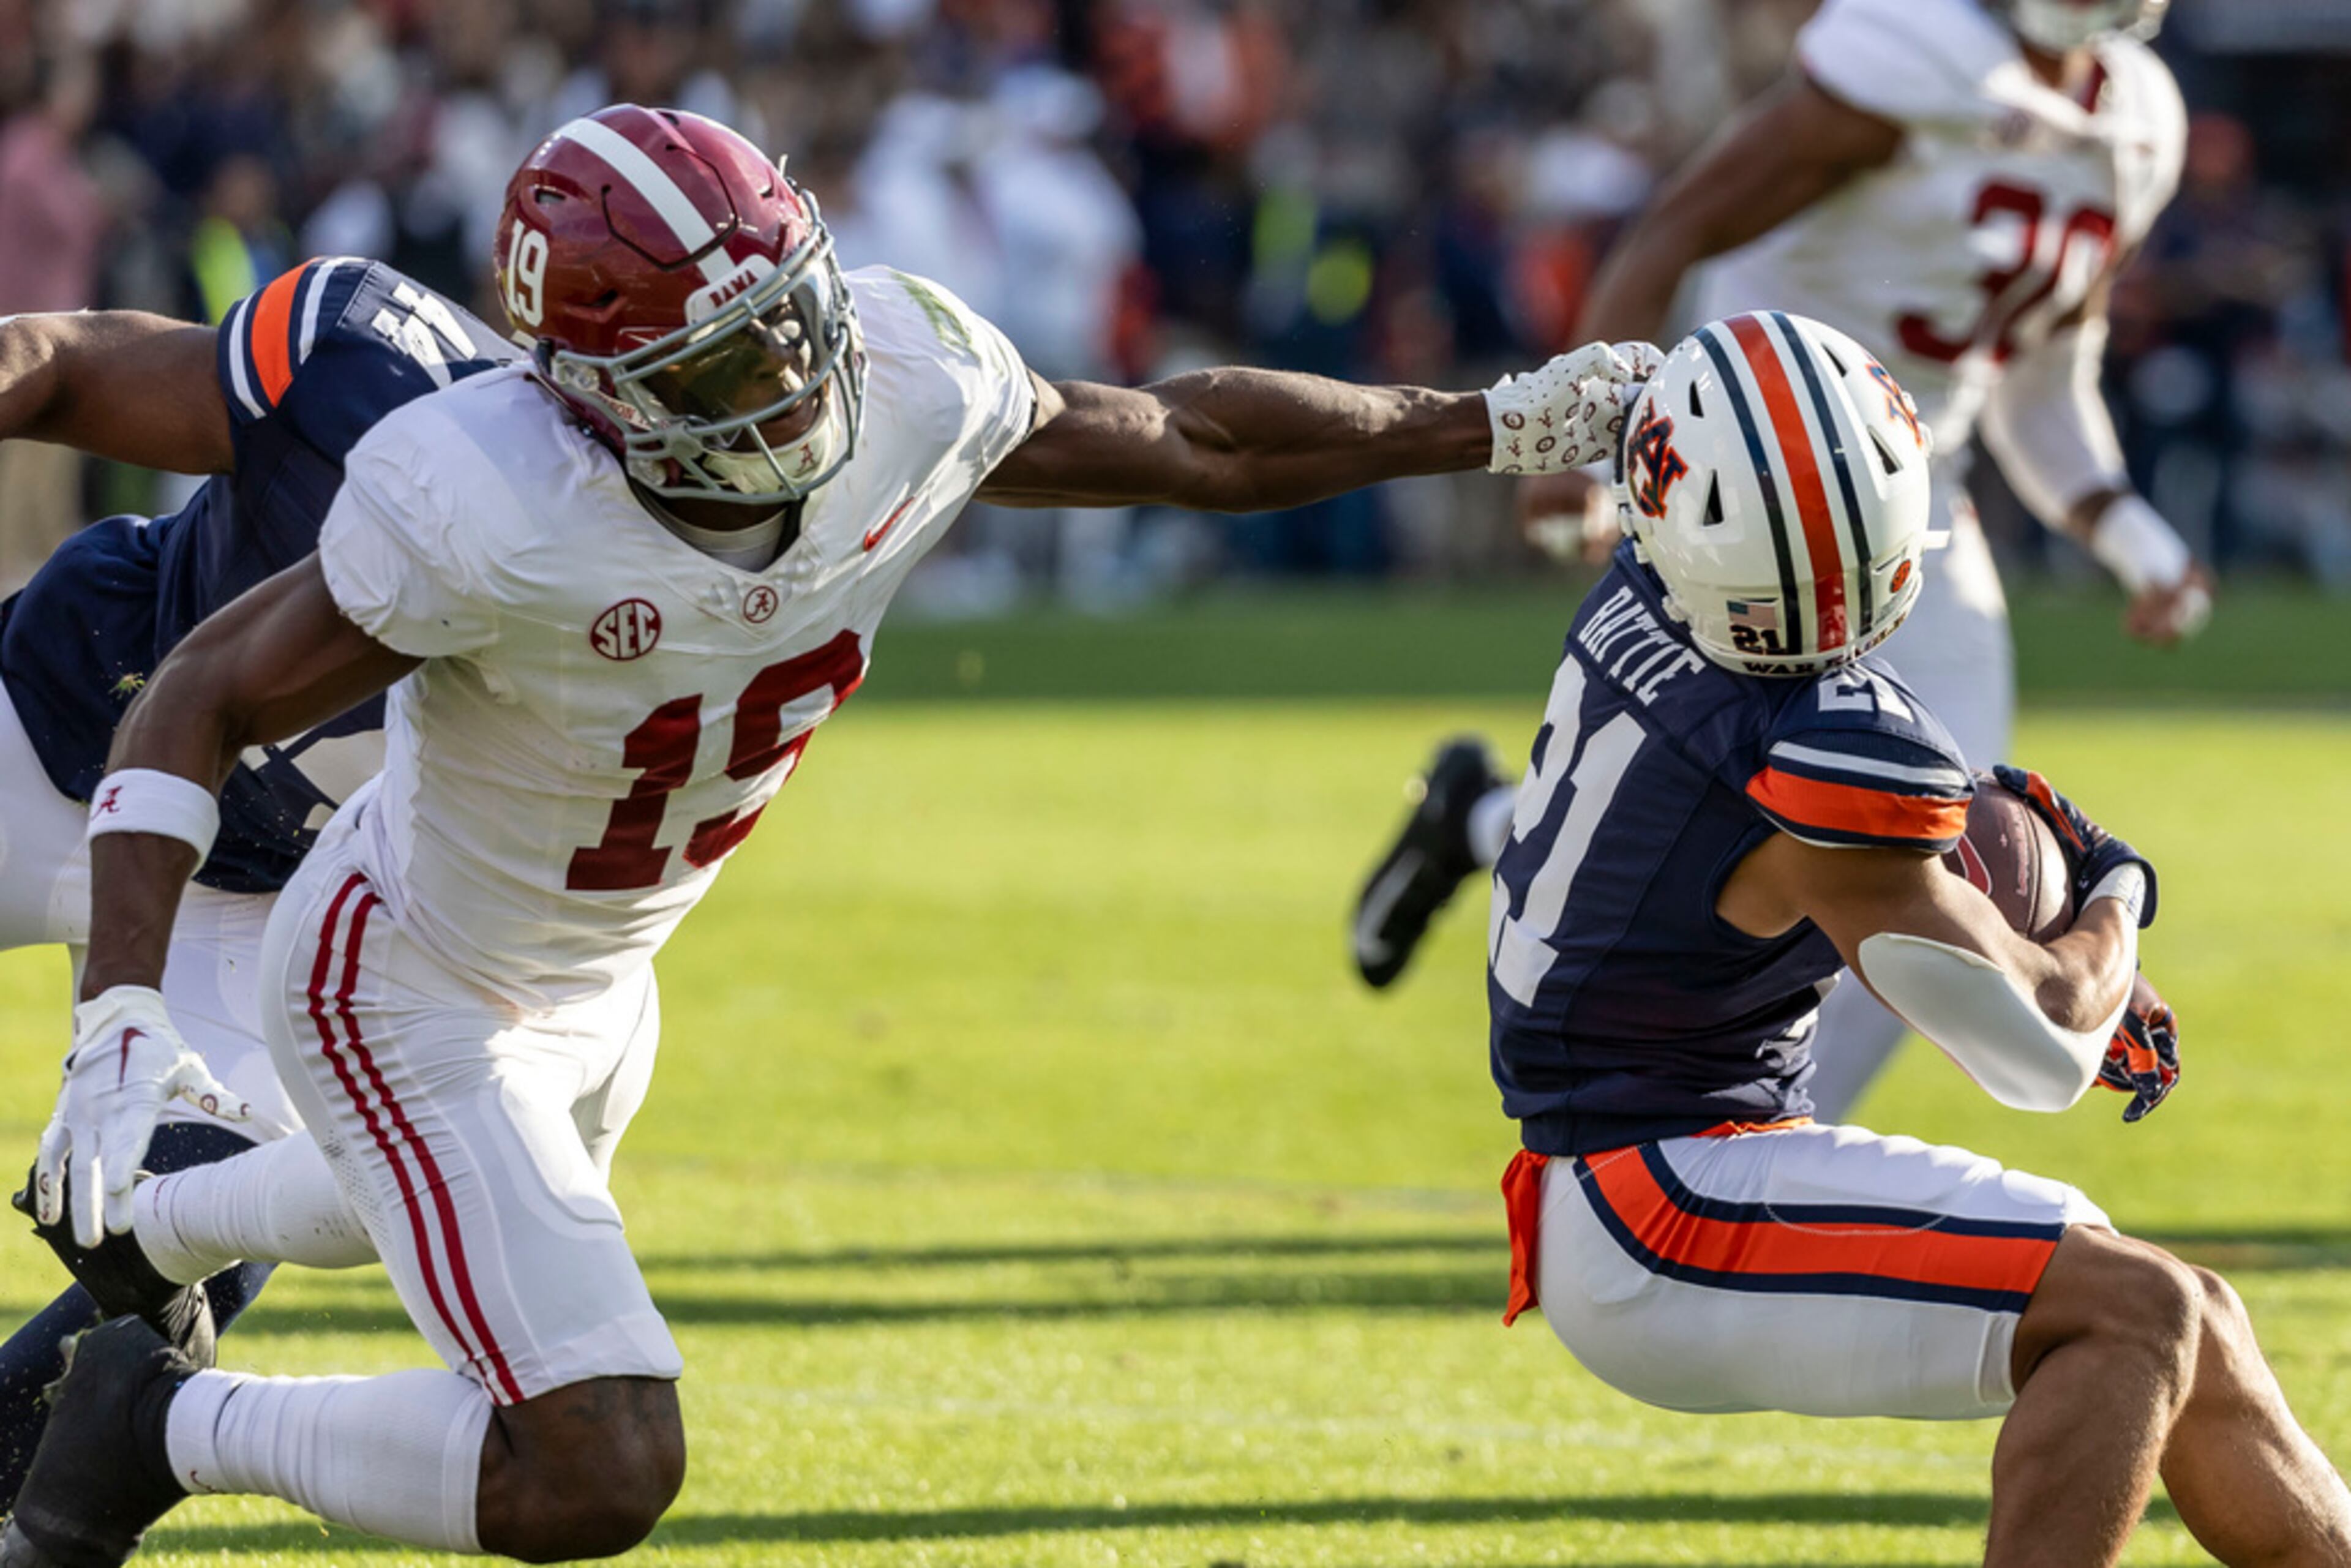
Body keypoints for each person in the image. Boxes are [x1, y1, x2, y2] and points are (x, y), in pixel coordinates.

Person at [1, 105, 1652, 1566]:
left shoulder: (911, 374)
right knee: (595, 1453)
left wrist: (1499, 421)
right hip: (395, 963)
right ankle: (156, 1417)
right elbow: (201, 687)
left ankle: (157, 1253)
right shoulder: (483, 495)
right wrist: (121, 1022)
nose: (790, 386)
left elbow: (1192, 441)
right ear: (588, 395)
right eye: (723, 370)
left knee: (378, 1213)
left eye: (792, 323)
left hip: (599, 971)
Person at [1485, 312, 2349, 1566]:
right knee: (2136, 1316)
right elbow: (2043, 1056)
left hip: (1640, 1157)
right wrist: (2118, 890)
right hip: (1656, 1199)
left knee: (2195, 1317)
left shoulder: (1653, 585)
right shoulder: (1811, 750)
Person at [1349, 0, 2209, 1122]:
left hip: (1914, 490)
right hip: (1751, 477)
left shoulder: (2135, 120)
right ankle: (1766, 1142)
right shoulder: (1918, 54)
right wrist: (1597, 430)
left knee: (1884, 825)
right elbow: (1678, 225)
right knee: (1838, 811)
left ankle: (1485, 824)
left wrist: (2129, 531)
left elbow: (2041, 379)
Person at [0, 258, 515, 1511]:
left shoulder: (645, 556)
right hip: (62, 724)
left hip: (265, 887)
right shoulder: (361, 357)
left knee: (187, 1226)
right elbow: (63, 361)